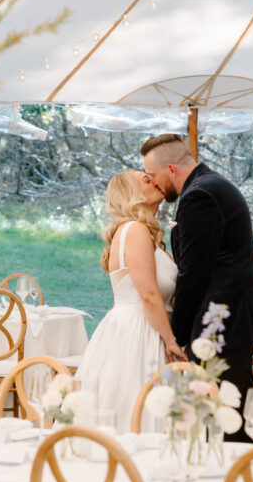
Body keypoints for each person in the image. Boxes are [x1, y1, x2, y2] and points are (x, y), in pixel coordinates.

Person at [141, 134, 253, 441]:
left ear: (171, 170)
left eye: (154, 176)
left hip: (223, 323)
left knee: (227, 422)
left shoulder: (198, 196)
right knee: (228, 413)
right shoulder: (211, 185)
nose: (155, 183)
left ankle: (236, 481)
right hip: (233, 317)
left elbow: (193, 276)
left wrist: (181, 335)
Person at [75, 169, 186, 432]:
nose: (155, 181)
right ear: (132, 194)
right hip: (140, 332)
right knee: (136, 411)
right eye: (147, 180)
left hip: (147, 326)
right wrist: (170, 341)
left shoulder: (149, 236)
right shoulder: (134, 230)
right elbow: (148, 295)